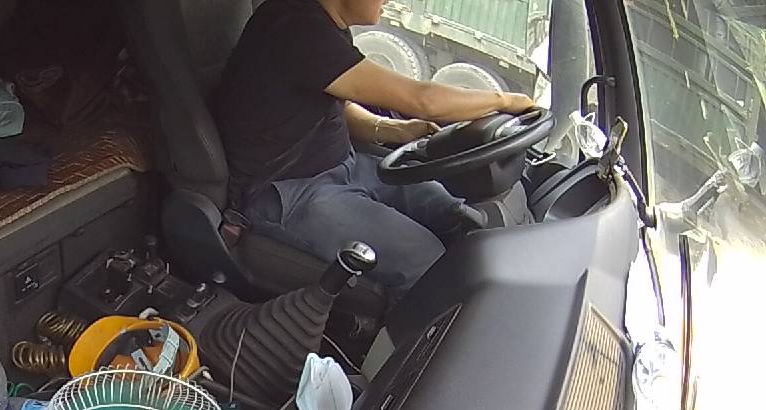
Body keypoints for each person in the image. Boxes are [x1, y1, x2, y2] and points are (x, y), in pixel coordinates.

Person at [214, 0, 538, 300]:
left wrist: (393, 129)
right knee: (426, 261)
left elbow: (334, 101)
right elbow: (422, 99)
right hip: (287, 193)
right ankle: (407, 343)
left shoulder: (323, 23)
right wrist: (505, 101)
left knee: (460, 218)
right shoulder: (295, 27)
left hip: (346, 166)